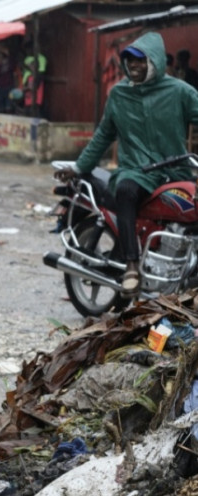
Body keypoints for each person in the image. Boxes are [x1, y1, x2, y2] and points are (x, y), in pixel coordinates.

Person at [55, 32, 198, 298]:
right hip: (137, 171)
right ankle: (132, 265)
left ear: (154, 61)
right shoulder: (119, 95)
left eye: (139, 60)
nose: (133, 65)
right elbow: (103, 136)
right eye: (129, 60)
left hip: (174, 171)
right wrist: (78, 167)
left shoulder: (180, 91)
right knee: (126, 191)